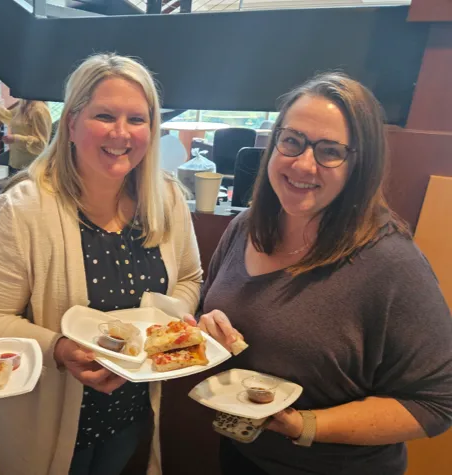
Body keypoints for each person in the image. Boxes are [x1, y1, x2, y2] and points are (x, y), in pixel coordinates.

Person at [194, 73, 452, 475]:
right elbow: (212, 311)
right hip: (242, 454)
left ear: (358, 165)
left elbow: (437, 402)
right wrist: (205, 328)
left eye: (330, 150)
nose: (303, 163)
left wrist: (304, 425)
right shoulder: (244, 228)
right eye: (293, 141)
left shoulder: (391, 264)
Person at [0, 53, 203, 475]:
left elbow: (188, 279)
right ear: (71, 123)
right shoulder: (20, 211)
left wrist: (162, 328)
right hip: (46, 422)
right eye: (105, 115)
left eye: (137, 119)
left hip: (129, 413)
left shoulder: (166, 199)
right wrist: (58, 348)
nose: (121, 133)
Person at [0, 96, 52, 173]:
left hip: (31, 165)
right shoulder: (24, 104)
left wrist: (15, 138)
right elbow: (9, 115)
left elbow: (41, 143)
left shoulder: (39, 110)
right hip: (17, 162)